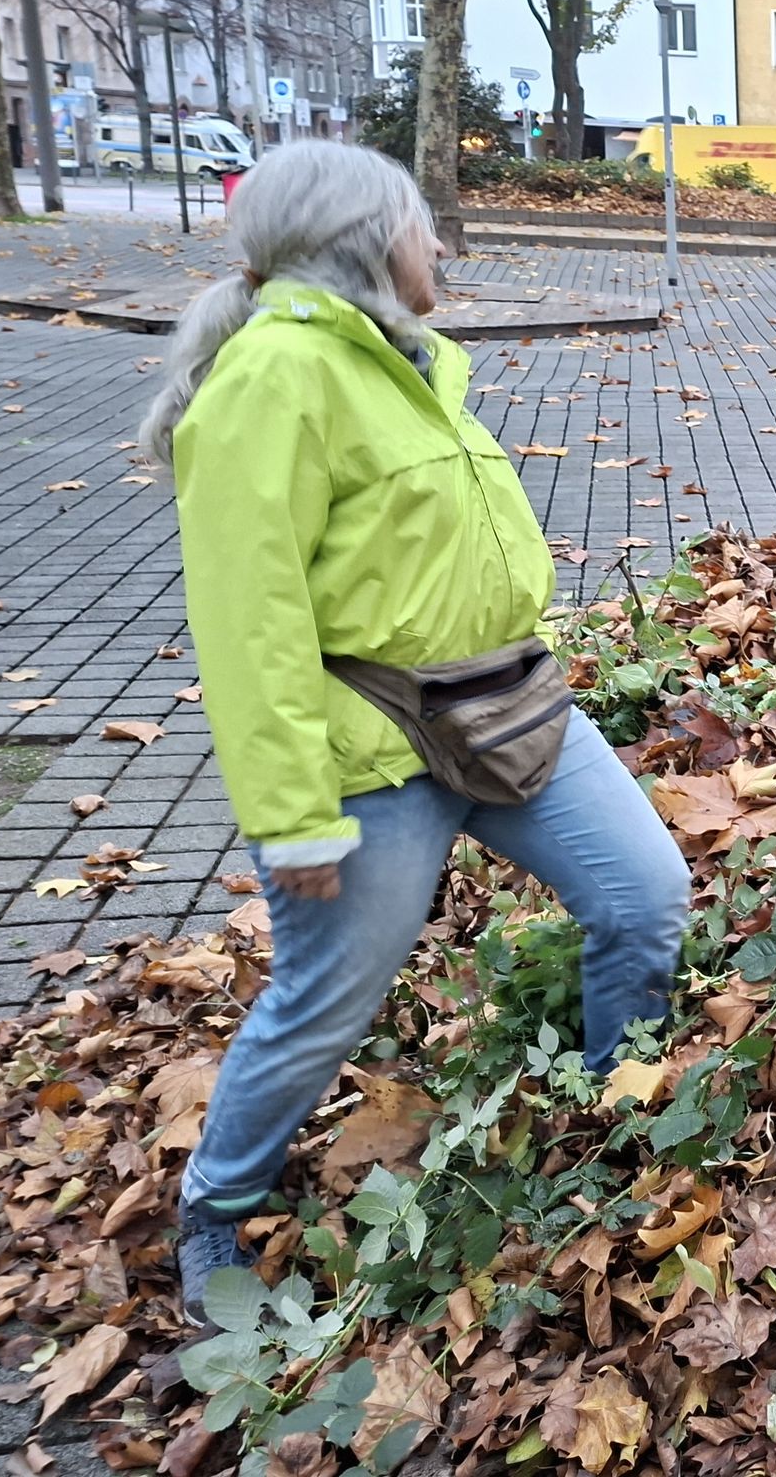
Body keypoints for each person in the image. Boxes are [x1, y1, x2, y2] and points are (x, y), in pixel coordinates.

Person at [137, 141, 690, 1322]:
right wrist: (291, 822)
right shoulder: (273, 380)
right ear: (359, 238)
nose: (436, 243)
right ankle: (215, 1209)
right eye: (417, 223)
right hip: (371, 754)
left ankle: (616, 1121)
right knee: (329, 1002)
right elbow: (249, 624)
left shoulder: (402, 363)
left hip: (503, 707)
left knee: (644, 895)